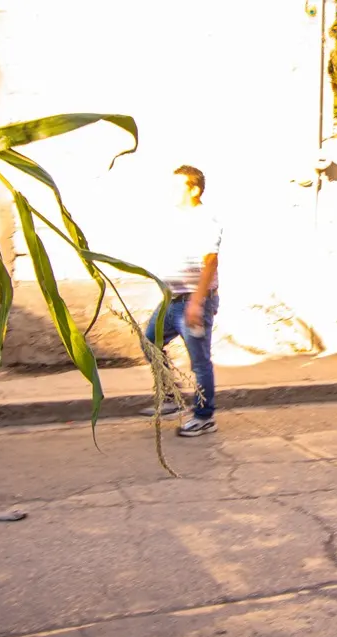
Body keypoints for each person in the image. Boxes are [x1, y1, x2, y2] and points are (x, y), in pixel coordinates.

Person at [138, 165, 221, 437]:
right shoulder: (175, 218)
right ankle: (171, 398)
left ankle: (204, 416)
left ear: (194, 189)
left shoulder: (206, 219)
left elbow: (210, 262)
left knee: (199, 362)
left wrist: (197, 303)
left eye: (178, 186)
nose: (171, 191)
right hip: (171, 300)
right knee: (151, 342)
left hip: (193, 302)